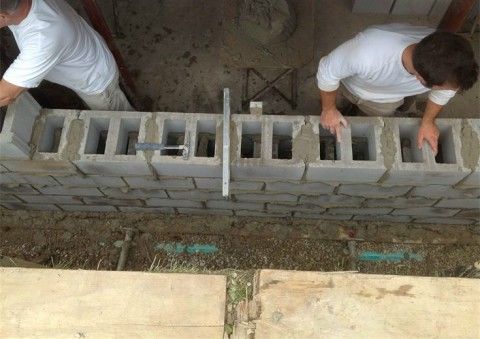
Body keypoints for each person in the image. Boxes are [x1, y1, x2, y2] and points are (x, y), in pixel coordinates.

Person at [317, 23, 478, 155]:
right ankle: (345, 108)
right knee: (367, 110)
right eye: (439, 88)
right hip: (359, 90)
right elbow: (327, 71)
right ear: (419, 78)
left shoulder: (441, 51)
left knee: (390, 110)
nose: (445, 91)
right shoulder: (366, 54)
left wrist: (428, 121)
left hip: (393, 93)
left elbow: (445, 89)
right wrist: (329, 109)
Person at [0, 0, 133, 111]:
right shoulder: (23, 9)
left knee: (120, 120)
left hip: (98, 83)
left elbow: (5, 95)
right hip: (89, 53)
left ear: (3, 17)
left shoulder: (42, 38)